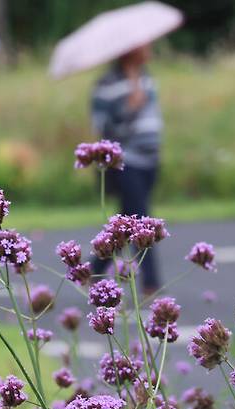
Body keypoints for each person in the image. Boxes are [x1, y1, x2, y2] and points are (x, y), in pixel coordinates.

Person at [90, 44, 162, 294]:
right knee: (141, 219)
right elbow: (103, 127)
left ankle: (94, 269)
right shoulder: (107, 83)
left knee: (127, 220)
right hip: (126, 161)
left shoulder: (146, 78)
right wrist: (130, 109)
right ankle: (151, 283)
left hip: (150, 160)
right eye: (144, 44)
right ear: (129, 49)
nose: (149, 48)